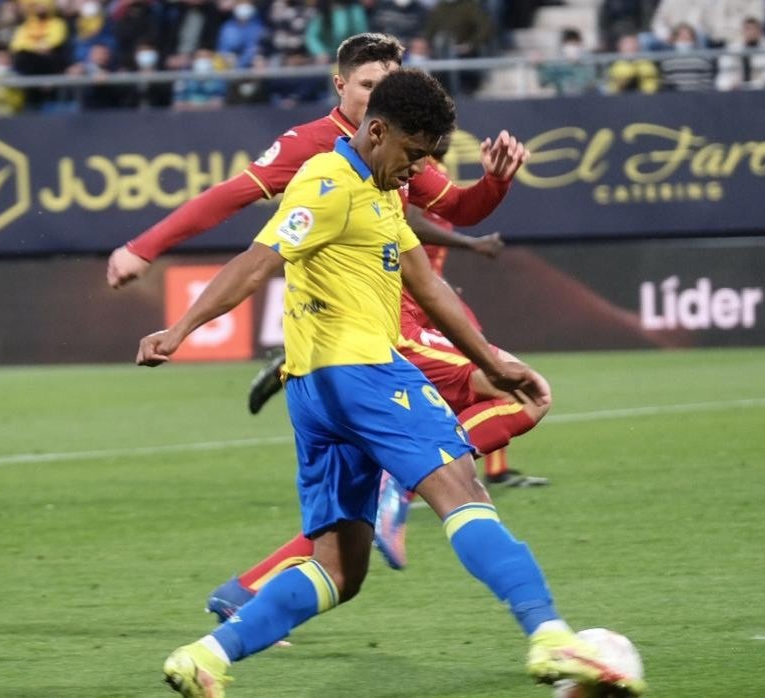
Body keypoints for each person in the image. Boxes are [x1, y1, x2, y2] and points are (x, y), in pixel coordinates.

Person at [143, 68, 645, 698]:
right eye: (414, 153)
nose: (420, 169)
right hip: (365, 377)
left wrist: (490, 362)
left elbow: (427, 285)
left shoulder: (380, 189)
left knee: (338, 569)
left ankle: (205, 657)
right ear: (375, 130)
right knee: (464, 493)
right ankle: (550, 636)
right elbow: (257, 261)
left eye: (430, 157)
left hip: (315, 394)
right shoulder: (327, 182)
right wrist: (180, 328)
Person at [106, 31, 546, 606]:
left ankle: (246, 594)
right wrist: (145, 246)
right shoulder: (313, 147)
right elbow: (229, 199)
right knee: (524, 396)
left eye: (386, 84)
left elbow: (458, 209)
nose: (377, 95)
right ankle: (415, 494)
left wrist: (496, 180)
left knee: (347, 523)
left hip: (390, 314)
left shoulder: (403, 142)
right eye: (366, 85)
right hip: (374, 330)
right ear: (340, 86)